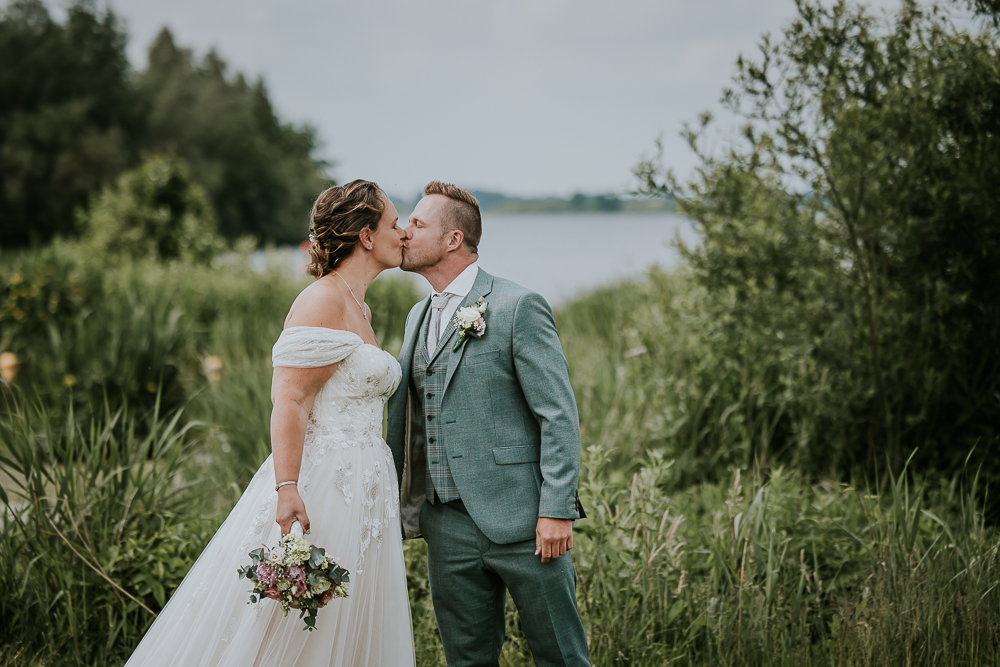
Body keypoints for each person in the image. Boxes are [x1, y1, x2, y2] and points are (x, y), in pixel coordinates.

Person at [125, 180, 416, 667]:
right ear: (366, 236)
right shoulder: (322, 300)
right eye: (394, 223)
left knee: (346, 619)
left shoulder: (359, 306)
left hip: (367, 487)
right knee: (296, 626)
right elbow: (291, 401)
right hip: (324, 484)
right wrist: (287, 487)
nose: (403, 232)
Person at [386, 181, 590, 666]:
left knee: (560, 655)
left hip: (525, 521)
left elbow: (557, 414)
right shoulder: (418, 315)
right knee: (467, 659)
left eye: (417, 223)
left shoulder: (518, 306)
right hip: (445, 524)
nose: (404, 231)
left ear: (453, 239)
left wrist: (556, 509)